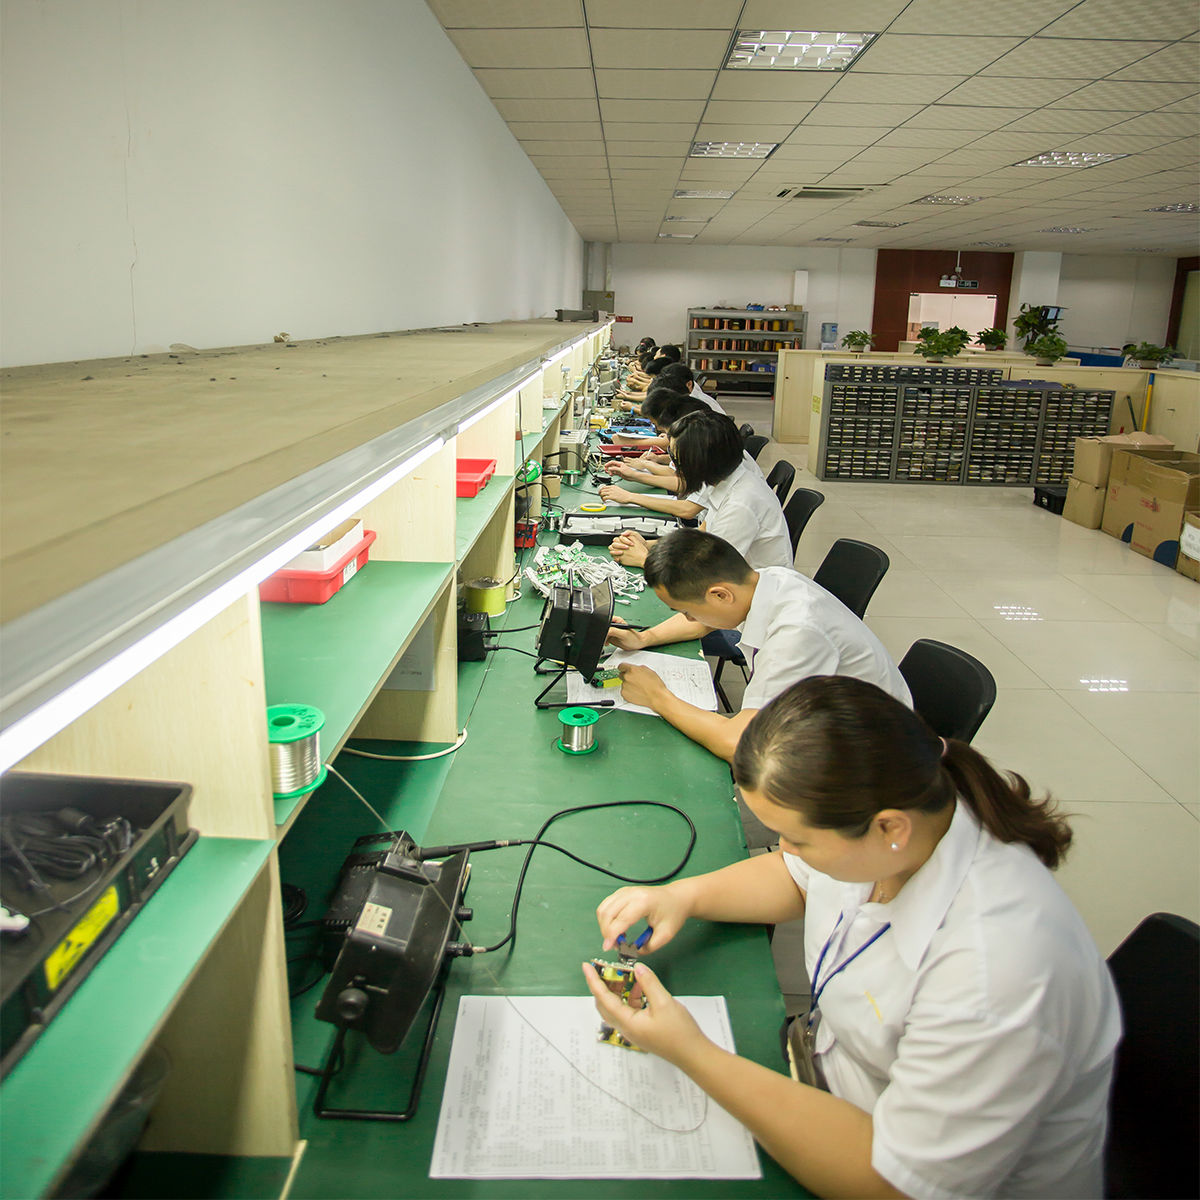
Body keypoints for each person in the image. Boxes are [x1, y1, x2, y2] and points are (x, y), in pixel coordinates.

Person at [584, 676, 1120, 1199]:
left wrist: (690, 1052)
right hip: (826, 1068)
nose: (784, 849)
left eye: (797, 838)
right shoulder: (904, 818)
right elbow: (797, 878)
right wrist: (683, 896)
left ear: (889, 828)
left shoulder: (996, 973)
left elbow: (891, 1182)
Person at [605, 531, 910, 760]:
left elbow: (739, 743)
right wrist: (644, 638)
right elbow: (706, 621)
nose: (688, 618)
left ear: (720, 595)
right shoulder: (763, 580)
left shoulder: (796, 633)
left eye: (686, 610)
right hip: (827, 721)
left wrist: (657, 696)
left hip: (865, 760)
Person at [602, 412, 788, 569]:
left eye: (677, 460)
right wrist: (648, 545)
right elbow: (701, 536)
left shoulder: (740, 505)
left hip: (752, 596)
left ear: (701, 462)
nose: (674, 467)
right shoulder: (724, 480)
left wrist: (645, 560)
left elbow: (708, 574)